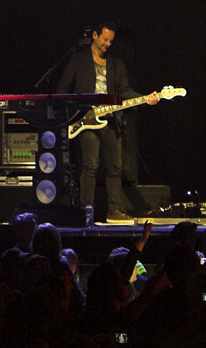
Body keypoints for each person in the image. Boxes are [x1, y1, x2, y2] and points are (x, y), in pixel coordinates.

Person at [56, 23, 158, 222]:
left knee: (115, 166)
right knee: (90, 165)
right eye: (105, 39)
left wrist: (146, 98)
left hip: (110, 120)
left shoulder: (116, 65)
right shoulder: (78, 60)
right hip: (86, 119)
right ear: (94, 35)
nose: (108, 44)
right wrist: (73, 114)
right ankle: (86, 210)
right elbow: (63, 89)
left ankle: (114, 210)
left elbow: (125, 91)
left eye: (111, 41)